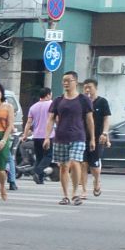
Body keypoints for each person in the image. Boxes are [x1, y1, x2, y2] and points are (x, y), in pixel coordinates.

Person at [50, 70, 92, 205]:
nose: (65, 83)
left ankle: (75, 193)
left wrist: (92, 138)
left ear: (75, 82)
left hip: (78, 136)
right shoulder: (58, 100)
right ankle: (65, 195)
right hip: (61, 137)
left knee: (75, 162)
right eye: (64, 81)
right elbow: (50, 119)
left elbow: (89, 119)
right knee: (63, 166)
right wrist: (46, 137)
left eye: (68, 80)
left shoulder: (83, 100)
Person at [82, 79, 112, 198]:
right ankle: (83, 191)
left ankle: (97, 180)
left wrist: (105, 133)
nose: (87, 90)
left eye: (89, 87)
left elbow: (106, 119)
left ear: (96, 88)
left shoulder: (102, 102)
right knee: (83, 164)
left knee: (94, 166)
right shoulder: (82, 102)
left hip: (97, 138)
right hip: (82, 137)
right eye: (85, 87)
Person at [24, 86, 54, 185]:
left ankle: (40, 179)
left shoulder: (33, 107)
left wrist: (25, 135)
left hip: (36, 136)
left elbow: (29, 122)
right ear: (48, 95)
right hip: (48, 135)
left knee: (39, 157)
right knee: (48, 156)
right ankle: (37, 171)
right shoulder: (51, 104)